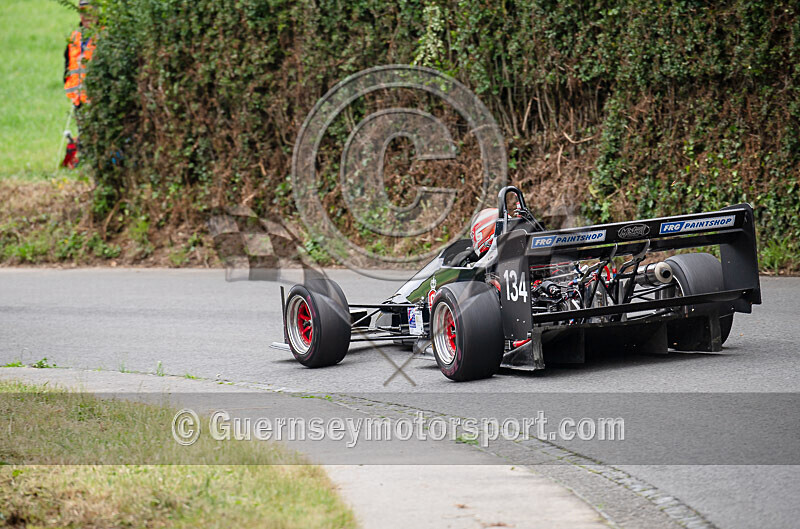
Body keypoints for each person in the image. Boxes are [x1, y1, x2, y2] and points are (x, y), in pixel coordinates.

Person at [64, 0, 96, 108]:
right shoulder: (74, 37)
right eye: (83, 12)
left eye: (90, 11)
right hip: (79, 104)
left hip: (99, 105)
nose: (86, 16)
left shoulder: (105, 36)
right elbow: (67, 68)